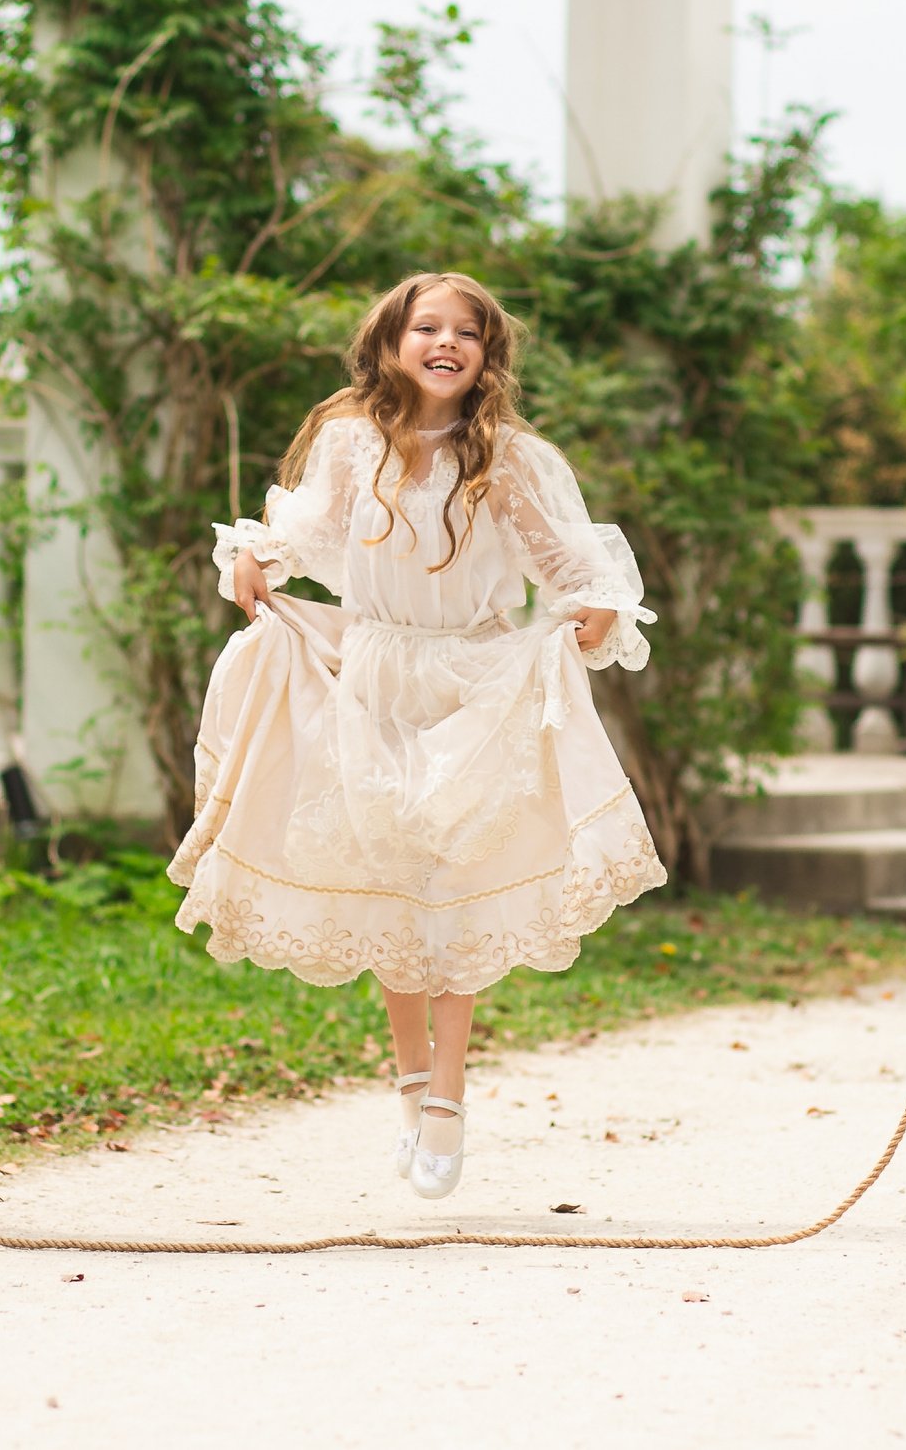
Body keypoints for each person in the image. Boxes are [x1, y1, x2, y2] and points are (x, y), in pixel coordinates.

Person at [171, 271, 668, 1200]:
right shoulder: (352, 444)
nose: (447, 343)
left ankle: (447, 1090)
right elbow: (312, 529)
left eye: (467, 332)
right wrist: (257, 552)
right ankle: (407, 1076)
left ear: (487, 353)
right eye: (427, 326)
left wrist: (595, 607)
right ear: (392, 341)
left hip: (473, 677)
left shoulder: (505, 458)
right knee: (388, 873)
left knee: (455, 875)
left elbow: (563, 558)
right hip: (372, 670)